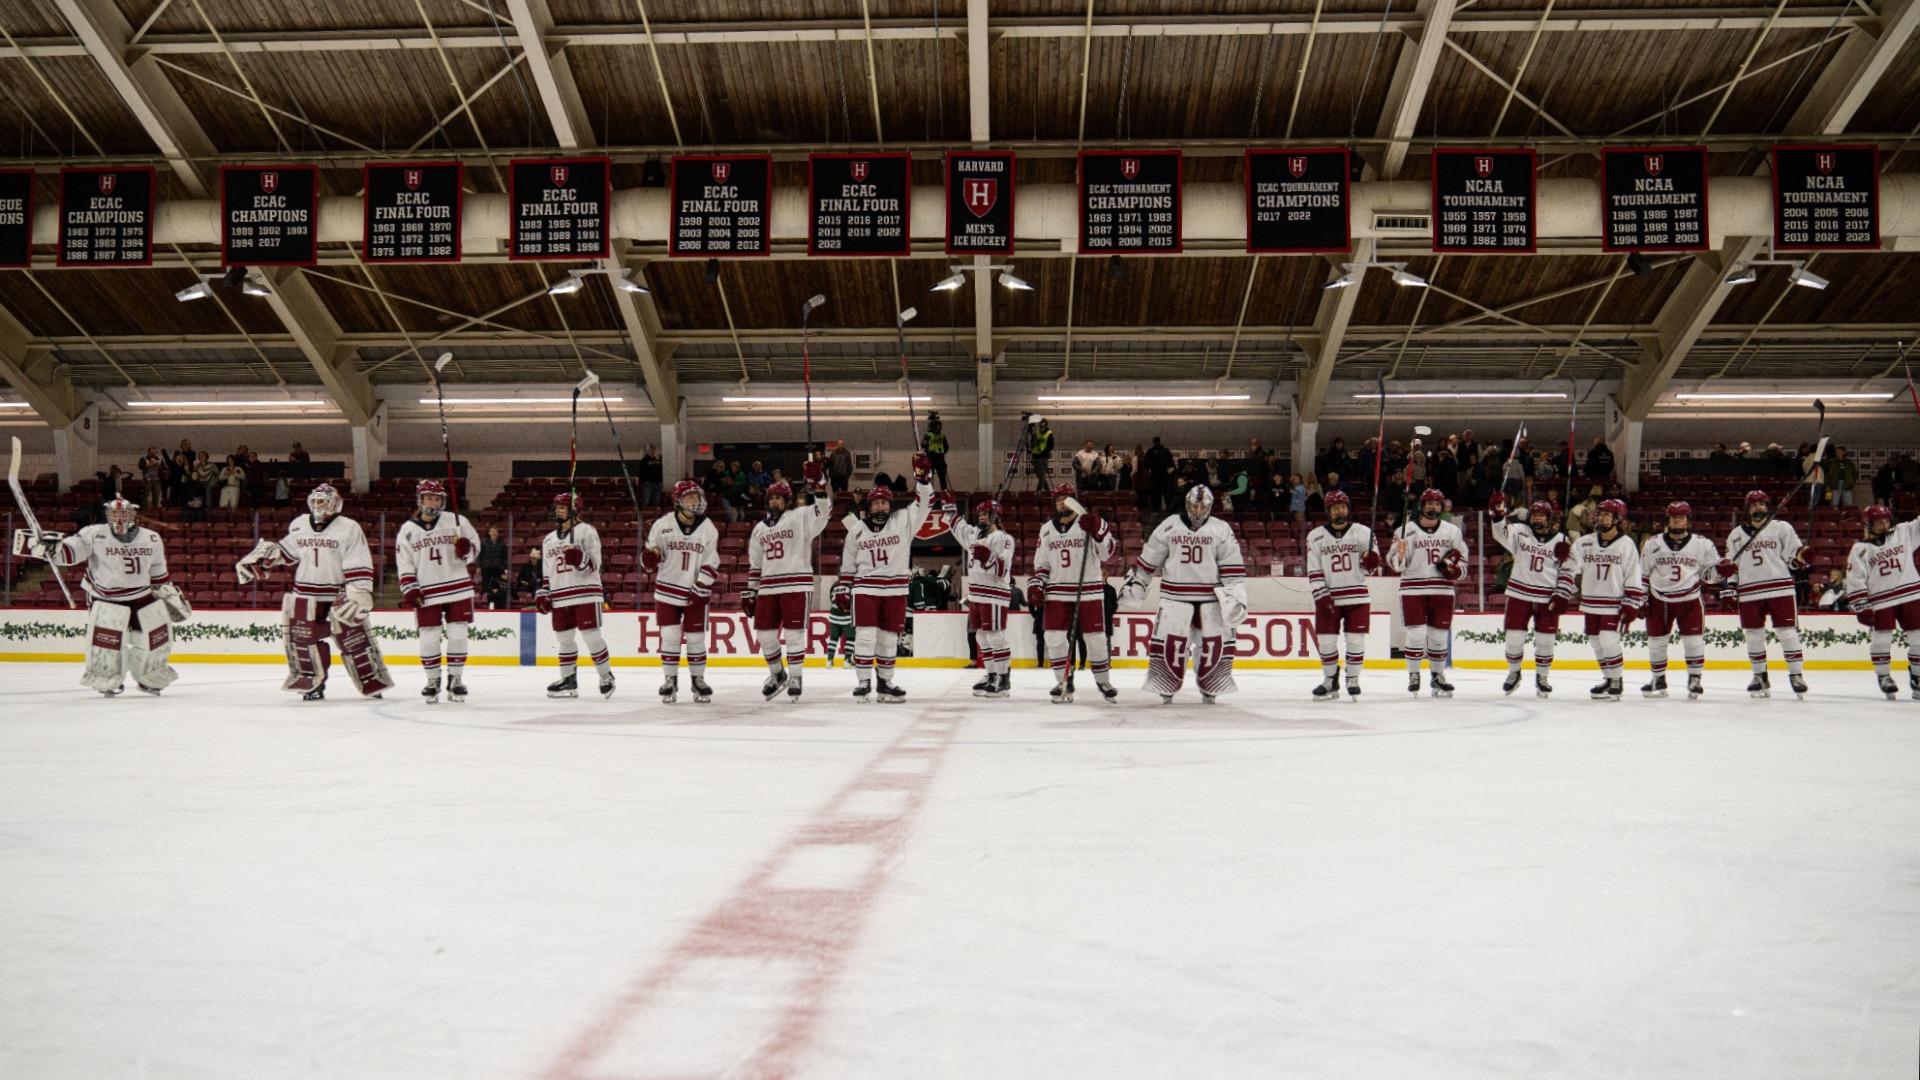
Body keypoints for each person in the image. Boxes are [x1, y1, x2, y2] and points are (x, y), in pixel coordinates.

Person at [235, 484, 392, 701]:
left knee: (354, 637)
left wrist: (359, 590)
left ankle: (371, 678)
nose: (318, 505)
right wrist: (267, 557)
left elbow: (357, 558)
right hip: (306, 592)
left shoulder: (349, 528)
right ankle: (313, 683)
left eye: (322, 501)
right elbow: (288, 552)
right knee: (306, 640)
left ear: (334, 503)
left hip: (337, 592)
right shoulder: (300, 524)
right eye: (315, 501)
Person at [32, 497, 189, 696]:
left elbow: (158, 571)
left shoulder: (151, 538)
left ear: (133, 515)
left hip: (142, 595)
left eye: (123, 513)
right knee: (107, 643)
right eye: (114, 514)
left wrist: (167, 594)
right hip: (106, 597)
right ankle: (106, 679)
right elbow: (73, 550)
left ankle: (150, 676)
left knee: (154, 640)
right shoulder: (94, 533)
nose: (119, 518)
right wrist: (54, 548)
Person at [1118, 485, 1248, 704]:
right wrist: (1136, 586)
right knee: (1171, 644)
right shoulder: (1170, 525)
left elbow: (1232, 567)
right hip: (1174, 597)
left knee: (1211, 645)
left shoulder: (1221, 529)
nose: (1198, 510)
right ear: (1187, 504)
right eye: (1195, 506)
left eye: (1203, 506)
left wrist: (1236, 596)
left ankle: (1211, 687)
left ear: (1209, 507)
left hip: (1210, 599)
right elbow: (1150, 558)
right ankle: (1165, 686)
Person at [839, 454, 935, 703]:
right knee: (865, 636)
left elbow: (925, 504)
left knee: (889, 638)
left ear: (889, 505)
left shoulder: (903, 522)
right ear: (869, 506)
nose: (880, 507)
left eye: (884, 503)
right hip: (866, 590)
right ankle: (863, 683)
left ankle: (885, 683)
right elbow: (848, 562)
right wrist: (843, 586)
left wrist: (923, 480)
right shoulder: (857, 530)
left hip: (895, 590)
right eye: (876, 503)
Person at [744, 460, 832, 700]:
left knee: (794, 634)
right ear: (767, 502)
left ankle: (796, 677)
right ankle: (778, 674)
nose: (775, 502)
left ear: (787, 501)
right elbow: (755, 564)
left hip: (796, 585)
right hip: (768, 588)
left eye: (779, 498)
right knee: (764, 635)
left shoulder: (800, 516)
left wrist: (820, 486)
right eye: (772, 498)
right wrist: (751, 591)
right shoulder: (759, 529)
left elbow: (824, 512)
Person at [1027, 484, 1118, 704]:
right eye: (1058, 500)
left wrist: (1098, 532)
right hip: (1057, 590)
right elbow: (1042, 563)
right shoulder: (1046, 529)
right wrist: (1037, 583)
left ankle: (1103, 681)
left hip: (1088, 589)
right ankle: (1063, 682)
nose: (1061, 503)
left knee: (1096, 639)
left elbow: (1108, 552)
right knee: (1053, 638)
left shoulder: (1091, 522)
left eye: (1065, 499)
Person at [394, 479, 481, 705]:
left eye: (436, 498)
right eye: (428, 498)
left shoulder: (457, 521)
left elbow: (474, 548)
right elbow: (404, 561)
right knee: (429, 639)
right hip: (427, 590)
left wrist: (466, 550)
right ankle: (432, 680)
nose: (432, 502)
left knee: (458, 634)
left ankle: (456, 678)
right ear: (420, 500)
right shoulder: (408, 530)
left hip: (458, 587)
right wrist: (409, 587)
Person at [1719, 490, 1809, 699]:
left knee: (1787, 633)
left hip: (1781, 588)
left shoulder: (1782, 528)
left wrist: (1803, 558)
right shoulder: (1736, 535)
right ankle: (1759, 676)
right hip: (1749, 591)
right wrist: (1730, 588)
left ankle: (1796, 675)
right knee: (1753, 635)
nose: (1757, 507)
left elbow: (1794, 560)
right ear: (1747, 509)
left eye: (1761, 504)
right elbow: (1731, 566)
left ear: (1767, 507)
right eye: (1753, 505)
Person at [645, 479, 721, 704]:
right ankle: (670, 679)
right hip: (667, 589)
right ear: (678, 501)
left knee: (696, 638)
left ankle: (698, 679)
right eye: (690, 497)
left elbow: (712, 561)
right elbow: (651, 558)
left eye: (697, 497)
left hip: (695, 591)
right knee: (669, 636)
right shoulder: (662, 524)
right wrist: (648, 559)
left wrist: (700, 587)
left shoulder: (708, 527)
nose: (696, 501)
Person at [1489, 493, 1572, 698]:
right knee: (1513, 637)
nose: (1537, 518)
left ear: (1549, 518)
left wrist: (1561, 594)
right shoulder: (1520, 531)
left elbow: (1569, 570)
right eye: (1534, 515)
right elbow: (1500, 533)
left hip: (1547, 597)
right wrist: (1497, 515)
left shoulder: (1562, 540)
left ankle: (1542, 678)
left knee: (1546, 640)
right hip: (1519, 593)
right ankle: (1514, 673)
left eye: (1541, 516)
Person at [1387, 489, 1469, 698]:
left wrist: (1454, 571)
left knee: (1439, 636)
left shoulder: (1452, 531)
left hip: (1442, 589)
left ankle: (1438, 676)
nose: (1433, 507)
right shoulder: (1404, 531)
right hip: (1412, 588)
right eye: (1429, 503)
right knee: (1416, 635)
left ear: (1441, 507)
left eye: (1437, 504)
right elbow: (1395, 564)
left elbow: (1463, 563)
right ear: (1422, 506)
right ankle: (1414, 675)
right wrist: (1400, 555)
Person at [1560, 498, 1643, 701]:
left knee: (1608, 639)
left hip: (1614, 603)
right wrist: (1562, 557)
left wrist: (1632, 602)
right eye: (1600, 514)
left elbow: (1633, 574)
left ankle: (1616, 680)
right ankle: (1608, 678)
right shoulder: (1585, 542)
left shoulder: (1626, 544)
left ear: (1618, 519)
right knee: (1596, 642)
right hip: (1590, 602)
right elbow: (1571, 565)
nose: (1602, 518)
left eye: (1607, 515)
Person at [536, 492, 615, 699]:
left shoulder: (587, 531)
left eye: (563, 507)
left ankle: (606, 676)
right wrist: (545, 592)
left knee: (591, 636)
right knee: (564, 639)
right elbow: (547, 571)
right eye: (557, 507)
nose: (558, 511)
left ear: (574, 510)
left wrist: (579, 558)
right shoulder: (549, 539)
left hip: (585, 592)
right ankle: (568, 679)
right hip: (560, 595)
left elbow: (596, 564)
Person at [1640, 501, 1720, 700]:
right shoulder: (1653, 543)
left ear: (1688, 520)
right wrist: (1641, 598)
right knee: (1656, 643)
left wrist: (1720, 571)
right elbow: (1643, 574)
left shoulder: (1702, 544)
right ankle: (1658, 679)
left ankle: (1695, 679)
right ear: (1667, 521)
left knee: (1693, 642)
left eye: (1681, 518)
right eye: (1674, 518)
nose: (1677, 521)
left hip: (1689, 600)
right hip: (1659, 600)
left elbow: (1710, 575)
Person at [1303, 490, 1377, 701]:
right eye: (1335, 508)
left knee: (1355, 641)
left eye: (1343, 507)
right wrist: (1321, 595)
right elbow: (1314, 569)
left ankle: (1352, 679)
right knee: (1326, 641)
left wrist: (1371, 561)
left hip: (1357, 596)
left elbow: (1370, 568)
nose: (1340, 511)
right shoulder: (1315, 536)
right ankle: (1330, 680)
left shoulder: (1363, 532)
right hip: (1329, 597)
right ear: (1328, 511)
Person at [1845, 506, 1920, 699]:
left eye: (1886, 521)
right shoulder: (1860, 549)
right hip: (1880, 600)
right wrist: (1862, 606)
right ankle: (1884, 675)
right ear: (1868, 524)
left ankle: (1918, 675)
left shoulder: (1903, 532)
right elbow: (1855, 579)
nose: (1884, 525)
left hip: (1910, 595)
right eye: (1878, 522)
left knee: (1918, 638)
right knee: (1882, 639)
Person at [948, 495, 1016, 698]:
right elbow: (959, 527)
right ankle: (992, 675)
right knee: (981, 636)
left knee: (994, 636)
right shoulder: (975, 535)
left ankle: (1004, 680)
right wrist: (948, 506)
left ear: (996, 516)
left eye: (986, 514)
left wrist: (989, 558)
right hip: (976, 594)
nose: (982, 517)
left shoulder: (1003, 538)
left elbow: (1003, 570)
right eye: (980, 513)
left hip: (994, 593)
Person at [825, 580, 856, 667]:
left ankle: (829, 660)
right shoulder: (852, 585)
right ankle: (847, 660)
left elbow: (831, 598)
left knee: (833, 638)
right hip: (847, 616)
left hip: (834, 614)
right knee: (851, 638)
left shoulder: (835, 584)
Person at [477, 525, 509, 605]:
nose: (495, 533)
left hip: (497, 567)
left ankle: (497, 603)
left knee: (497, 585)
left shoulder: (502, 544)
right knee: (486, 585)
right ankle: (485, 603)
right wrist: (478, 566)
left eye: (496, 531)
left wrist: (503, 568)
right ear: (489, 533)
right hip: (486, 567)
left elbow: (505, 557)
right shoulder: (483, 543)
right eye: (493, 531)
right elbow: (479, 555)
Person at [1143, 436, 1175, 512]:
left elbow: (1145, 463)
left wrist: (1152, 467)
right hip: (1165, 475)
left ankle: (1156, 510)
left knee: (1155, 493)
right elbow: (1171, 464)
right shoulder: (1166, 451)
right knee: (1166, 492)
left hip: (1154, 475)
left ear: (1153, 442)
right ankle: (1169, 509)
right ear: (1160, 442)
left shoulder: (1150, 451)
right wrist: (1167, 472)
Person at [922, 413, 951, 490]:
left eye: (939, 426)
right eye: (938, 426)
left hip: (938, 458)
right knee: (929, 475)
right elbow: (923, 445)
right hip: (932, 458)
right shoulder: (928, 435)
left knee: (942, 476)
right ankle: (927, 490)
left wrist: (941, 452)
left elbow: (946, 447)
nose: (939, 428)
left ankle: (944, 491)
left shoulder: (941, 435)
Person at [1029, 419, 1054, 489]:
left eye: (1043, 422)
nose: (1041, 423)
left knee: (1041, 474)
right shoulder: (1036, 433)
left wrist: (1044, 451)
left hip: (1043, 456)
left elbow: (1051, 445)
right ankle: (1047, 490)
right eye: (1040, 422)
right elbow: (1032, 443)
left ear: (1045, 424)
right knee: (1039, 475)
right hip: (1035, 456)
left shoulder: (1049, 433)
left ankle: (1038, 490)